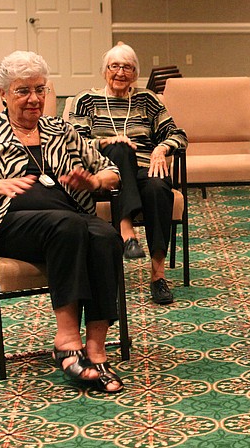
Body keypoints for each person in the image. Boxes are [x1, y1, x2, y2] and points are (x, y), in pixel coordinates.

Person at [0, 51, 125, 393]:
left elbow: (110, 170)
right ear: (3, 94)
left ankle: (96, 349)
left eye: (40, 89)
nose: (34, 99)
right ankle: (67, 339)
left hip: (68, 222)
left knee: (105, 235)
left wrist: (96, 183)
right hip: (8, 226)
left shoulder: (61, 131)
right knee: (67, 226)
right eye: (23, 91)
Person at [70, 43, 188, 305]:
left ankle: (158, 277)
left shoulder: (147, 100)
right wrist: (106, 142)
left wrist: (161, 148)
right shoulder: (86, 101)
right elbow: (71, 142)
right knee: (121, 149)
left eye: (128, 67)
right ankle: (127, 232)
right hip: (103, 173)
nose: (120, 72)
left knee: (158, 188)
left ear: (135, 74)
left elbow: (178, 134)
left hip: (146, 169)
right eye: (114, 66)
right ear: (104, 71)